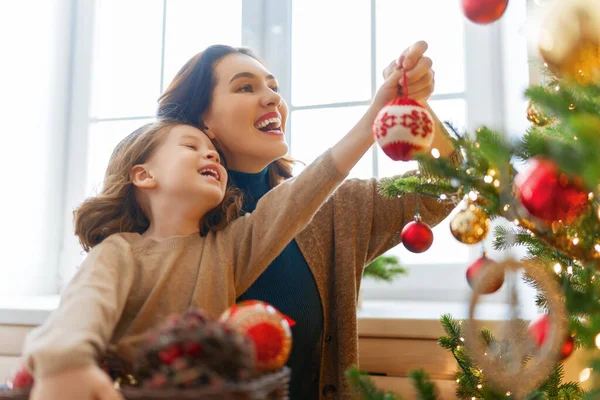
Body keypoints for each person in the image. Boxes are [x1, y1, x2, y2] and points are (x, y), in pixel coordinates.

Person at [23, 55, 413, 400]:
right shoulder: (119, 252)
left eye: (210, 153)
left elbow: (307, 190)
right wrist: (67, 363)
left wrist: (375, 118)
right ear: (143, 175)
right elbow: (79, 313)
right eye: (190, 147)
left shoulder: (230, 247)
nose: (209, 152)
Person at [157, 41, 461, 399]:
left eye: (274, 87)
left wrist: (412, 102)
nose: (272, 98)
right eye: (245, 87)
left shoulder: (334, 211)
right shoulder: (173, 222)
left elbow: (449, 184)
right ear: (203, 120)